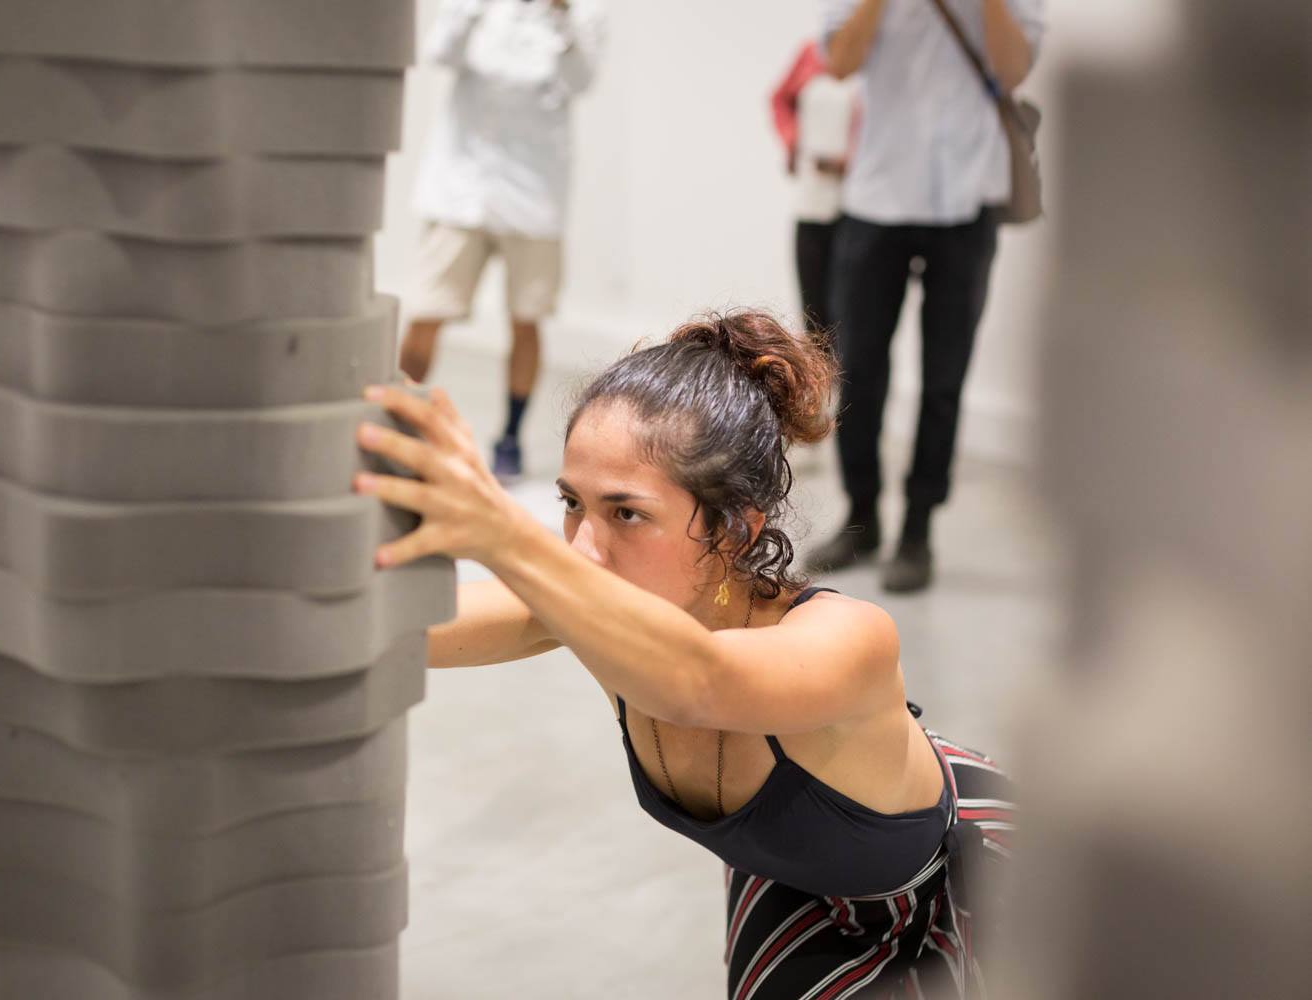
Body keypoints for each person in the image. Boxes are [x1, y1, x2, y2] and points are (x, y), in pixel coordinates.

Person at [354, 310, 1015, 998]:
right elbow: (395, 628)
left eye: (627, 513)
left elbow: (700, 683)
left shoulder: (850, 641)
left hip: (970, 889)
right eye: (571, 503)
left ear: (735, 529)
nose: (583, 547)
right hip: (801, 887)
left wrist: (500, 531)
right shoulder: (604, 607)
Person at [802, 0, 1046, 593]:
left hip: (968, 199)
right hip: (876, 195)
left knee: (944, 378)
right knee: (856, 368)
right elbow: (838, 63)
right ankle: (861, 516)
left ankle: (918, 530)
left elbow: (1014, 69)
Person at [399, 0, 606, 480]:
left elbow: (581, 80)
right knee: (426, 313)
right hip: (459, 187)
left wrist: (563, 16)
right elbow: (440, 52)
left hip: (533, 196)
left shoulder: (585, 11)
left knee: (526, 320)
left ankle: (510, 437)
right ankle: (400, 423)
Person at [770, 41, 860, 336]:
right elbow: (779, 99)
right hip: (811, 200)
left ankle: (849, 381)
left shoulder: (873, 54)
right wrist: (793, 143)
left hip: (857, 208)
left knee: (852, 311)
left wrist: (853, 159)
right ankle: (817, 380)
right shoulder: (812, 52)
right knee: (813, 312)